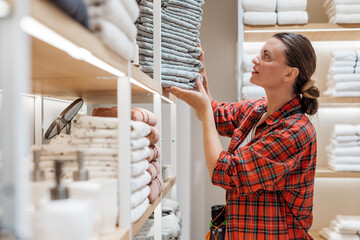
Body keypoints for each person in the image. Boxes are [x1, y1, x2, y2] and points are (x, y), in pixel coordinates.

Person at [166, 32, 319, 239]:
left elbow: (224, 172)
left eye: (266, 56)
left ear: (290, 74)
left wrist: (204, 110)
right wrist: (200, 73)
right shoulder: (256, 110)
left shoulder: (294, 131)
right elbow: (216, 114)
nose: (255, 60)